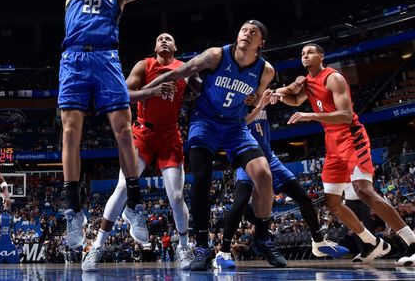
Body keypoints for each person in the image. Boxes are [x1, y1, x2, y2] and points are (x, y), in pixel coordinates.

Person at [59, 0, 186, 250]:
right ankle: (73, 210)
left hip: (106, 57)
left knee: (123, 131)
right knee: (71, 130)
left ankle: (135, 203)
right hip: (73, 58)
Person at [144, 20, 282, 270]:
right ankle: (202, 246)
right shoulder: (217, 54)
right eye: (243, 30)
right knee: (202, 177)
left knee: (263, 174)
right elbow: (180, 72)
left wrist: (253, 101)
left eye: (254, 33)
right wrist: (146, 90)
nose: (247, 34)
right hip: (205, 121)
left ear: (261, 42)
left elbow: (253, 98)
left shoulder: (266, 70)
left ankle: (262, 236)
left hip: (235, 127)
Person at [275, 43, 415, 265]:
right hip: (332, 142)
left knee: (364, 190)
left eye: (310, 52)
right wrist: (277, 95)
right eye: (302, 53)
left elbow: (346, 116)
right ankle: (372, 243)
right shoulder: (307, 82)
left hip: (351, 136)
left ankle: (412, 242)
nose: (305, 56)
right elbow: (294, 99)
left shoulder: (333, 78)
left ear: (321, 56)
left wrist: (311, 116)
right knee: (332, 202)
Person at [83, 33, 194, 271]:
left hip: (170, 136)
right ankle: (96, 247)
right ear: (154, 46)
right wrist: (150, 92)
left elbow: (205, 94)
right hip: (143, 133)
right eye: (160, 38)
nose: (164, 40)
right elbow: (122, 94)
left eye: (169, 38)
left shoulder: (184, 68)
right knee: (122, 187)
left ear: (176, 46)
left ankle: (184, 246)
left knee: (176, 197)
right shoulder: (145, 65)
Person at [215, 90, 348, 270]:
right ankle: (223, 253)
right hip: (247, 160)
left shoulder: (260, 90)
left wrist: (284, 91)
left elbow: (288, 90)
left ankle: (318, 242)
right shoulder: (235, 105)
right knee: (239, 205)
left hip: (269, 158)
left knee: (304, 198)